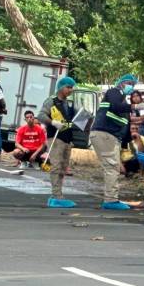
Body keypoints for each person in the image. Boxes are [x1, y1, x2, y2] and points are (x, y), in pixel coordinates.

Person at [89, 73, 141, 210]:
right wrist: (135, 107)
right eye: (129, 83)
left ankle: (111, 198)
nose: (131, 86)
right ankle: (110, 200)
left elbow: (125, 126)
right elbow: (116, 106)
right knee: (111, 167)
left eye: (133, 84)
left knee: (112, 167)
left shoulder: (123, 102)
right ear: (122, 83)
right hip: (105, 134)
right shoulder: (114, 92)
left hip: (110, 136)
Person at [38, 76, 88, 208]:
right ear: (61, 87)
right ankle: (56, 195)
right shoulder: (51, 101)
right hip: (55, 137)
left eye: (72, 88)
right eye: (68, 87)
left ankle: (58, 194)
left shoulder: (70, 103)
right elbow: (41, 115)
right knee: (56, 166)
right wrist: (53, 122)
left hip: (67, 138)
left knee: (63, 167)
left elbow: (77, 119)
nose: (70, 90)